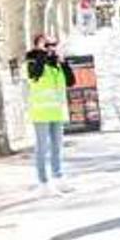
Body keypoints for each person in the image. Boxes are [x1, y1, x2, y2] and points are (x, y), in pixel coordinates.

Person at [25, 34, 76, 194]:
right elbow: (35, 74)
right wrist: (40, 54)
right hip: (41, 112)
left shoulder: (57, 64)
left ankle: (59, 178)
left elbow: (71, 81)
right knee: (42, 148)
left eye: (54, 44)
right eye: (47, 44)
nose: (51, 47)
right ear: (39, 46)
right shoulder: (32, 61)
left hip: (56, 112)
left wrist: (63, 62)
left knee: (57, 147)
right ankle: (43, 182)